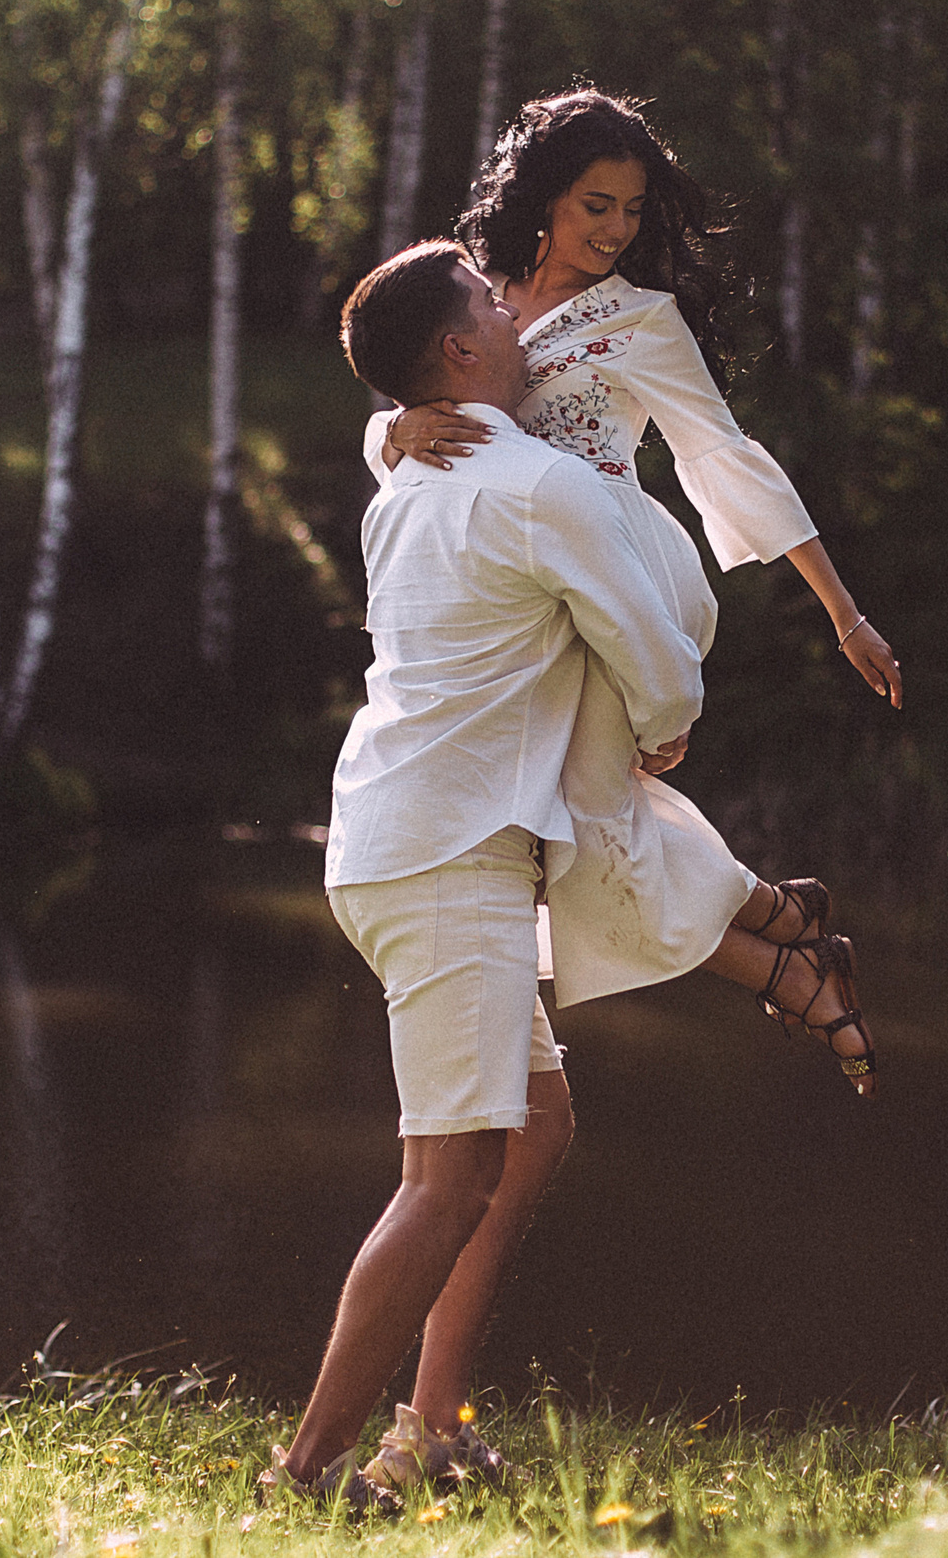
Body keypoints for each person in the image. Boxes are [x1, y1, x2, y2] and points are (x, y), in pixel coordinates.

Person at [263, 239, 708, 1515]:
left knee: (536, 1126)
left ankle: (434, 1424)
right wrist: (664, 719)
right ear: (459, 353)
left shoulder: (414, 467)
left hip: (409, 836)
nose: (517, 317)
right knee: (445, 1175)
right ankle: (301, 1476)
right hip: (447, 854)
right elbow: (658, 653)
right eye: (492, 307)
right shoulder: (525, 481)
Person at [376, 87, 896, 1084]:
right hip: (522, 593)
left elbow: (729, 459)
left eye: (632, 206)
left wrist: (844, 611)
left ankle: (787, 954)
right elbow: (411, 411)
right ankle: (788, 933)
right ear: (541, 200)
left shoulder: (641, 322)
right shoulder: (472, 298)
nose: (618, 228)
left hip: (619, 575)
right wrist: (392, 429)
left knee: (580, 836)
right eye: (594, 205)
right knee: (553, 835)